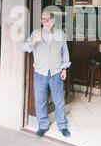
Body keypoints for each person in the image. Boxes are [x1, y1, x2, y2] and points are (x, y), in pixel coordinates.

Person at [23, 10, 71, 138]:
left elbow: (64, 52)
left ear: (54, 20)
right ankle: (43, 125)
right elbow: (25, 47)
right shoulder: (36, 33)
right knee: (40, 101)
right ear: (41, 22)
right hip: (40, 73)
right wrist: (35, 41)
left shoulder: (61, 34)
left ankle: (62, 125)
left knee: (59, 101)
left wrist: (64, 68)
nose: (46, 22)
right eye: (44, 19)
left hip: (56, 72)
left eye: (49, 19)